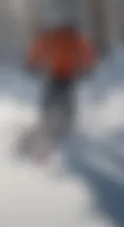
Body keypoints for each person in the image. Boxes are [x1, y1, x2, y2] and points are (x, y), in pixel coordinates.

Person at [23, 19, 98, 158]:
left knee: (66, 101)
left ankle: (66, 126)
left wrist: (88, 66)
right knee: (49, 99)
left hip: (68, 75)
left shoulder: (73, 36)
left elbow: (85, 50)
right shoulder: (52, 35)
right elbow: (39, 47)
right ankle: (46, 124)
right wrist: (31, 62)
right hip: (54, 74)